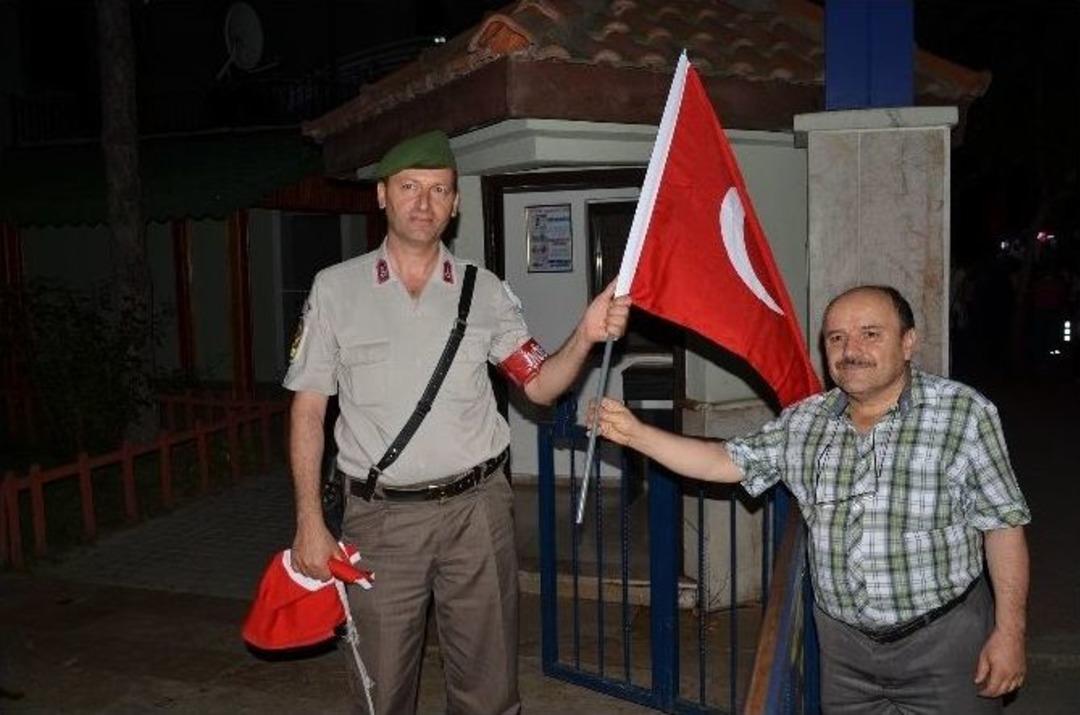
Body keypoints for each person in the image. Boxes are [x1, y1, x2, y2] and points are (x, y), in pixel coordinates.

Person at [284, 129, 630, 715]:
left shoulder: (485, 291)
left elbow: (540, 386)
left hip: (478, 514)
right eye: (409, 187)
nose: (423, 202)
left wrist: (585, 335)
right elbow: (308, 410)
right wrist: (309, 524)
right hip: (381, 521)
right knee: (381, 687)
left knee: (488, 687)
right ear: (382, 197)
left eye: (438, 189)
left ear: (456, 202)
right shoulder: (336, 289)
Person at [594, 285, 1030, 713]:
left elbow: (1003, 524)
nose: (850, 349)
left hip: (945, 641)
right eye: (835, 338)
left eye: (870, 333)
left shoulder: (963, 413)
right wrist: (637, 434)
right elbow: (720, 462)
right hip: (844, 651)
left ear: (908, 342)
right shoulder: (804, 422)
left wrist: (1010, 632)